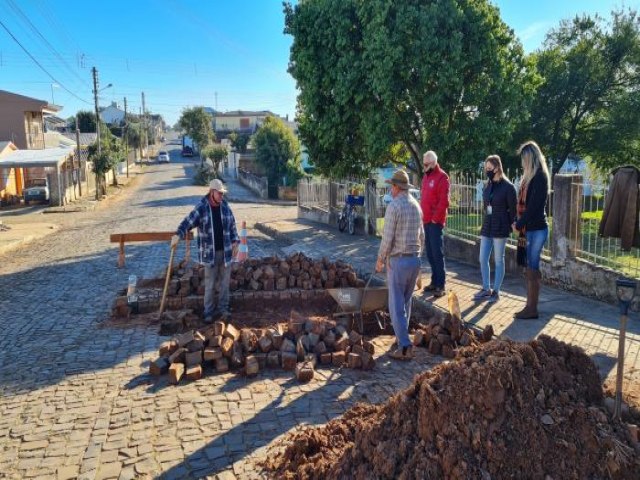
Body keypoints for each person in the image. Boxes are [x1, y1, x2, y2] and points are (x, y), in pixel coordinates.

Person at [172, 179, 240, 323]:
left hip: (226, 252)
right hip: (210, 254)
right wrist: (178, 234)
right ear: (212, 192)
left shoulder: (225, 207)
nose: (222, 196)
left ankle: (223, 309)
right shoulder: (202, 208)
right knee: (209, 284)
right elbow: (188, 221)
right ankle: (208, 312)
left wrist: (236, 242)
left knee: (224, 283)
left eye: (223, 193)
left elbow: (232, 226)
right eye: (219, 193)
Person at [376, 169, 424, 360]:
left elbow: (387, 239)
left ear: (396, 187)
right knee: (406, 302)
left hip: (399, 261)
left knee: (396, 306)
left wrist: (380, 259)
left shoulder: (394, 207)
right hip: (415, 259)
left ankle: (405, 347)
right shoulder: (416, 206)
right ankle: (401, 338)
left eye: (391, 187)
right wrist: (420, 260)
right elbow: (422, 235)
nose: (390, 190)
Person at [512, 141, 550, 319]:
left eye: (523, 159)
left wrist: (519, 225)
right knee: (529, 266)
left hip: (537, 229)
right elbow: (521, 205)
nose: (521, 162)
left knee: (532, 266)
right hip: (529, 229)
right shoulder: (529, 178)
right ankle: (530, 306)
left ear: (530, 158)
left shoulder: (540, 177)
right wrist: (517, 222)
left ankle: (532, 308)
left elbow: (534, 207)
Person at [473, 155, 517, 303]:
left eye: (489, 168)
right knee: (482, 258)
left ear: (497, 168)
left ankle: (496, 291)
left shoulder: (508, 187)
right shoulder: (488, 185)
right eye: (486, 168)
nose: (487, 171)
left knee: (499, 259)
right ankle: (486, 288)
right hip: (488, 224)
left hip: (501, 225)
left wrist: (512, 224)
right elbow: (486, 205)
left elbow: (513, 209)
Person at [420, 150, 450, 298]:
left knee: (437, 253)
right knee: (430, 253)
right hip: (425, 221)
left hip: (435, 222)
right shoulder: (426, 177)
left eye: (425, 164)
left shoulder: (442, 177)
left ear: (433, 163)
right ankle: (434, 280)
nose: (423, 167)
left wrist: (434, 219)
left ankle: (441, 284)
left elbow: (444, 202)